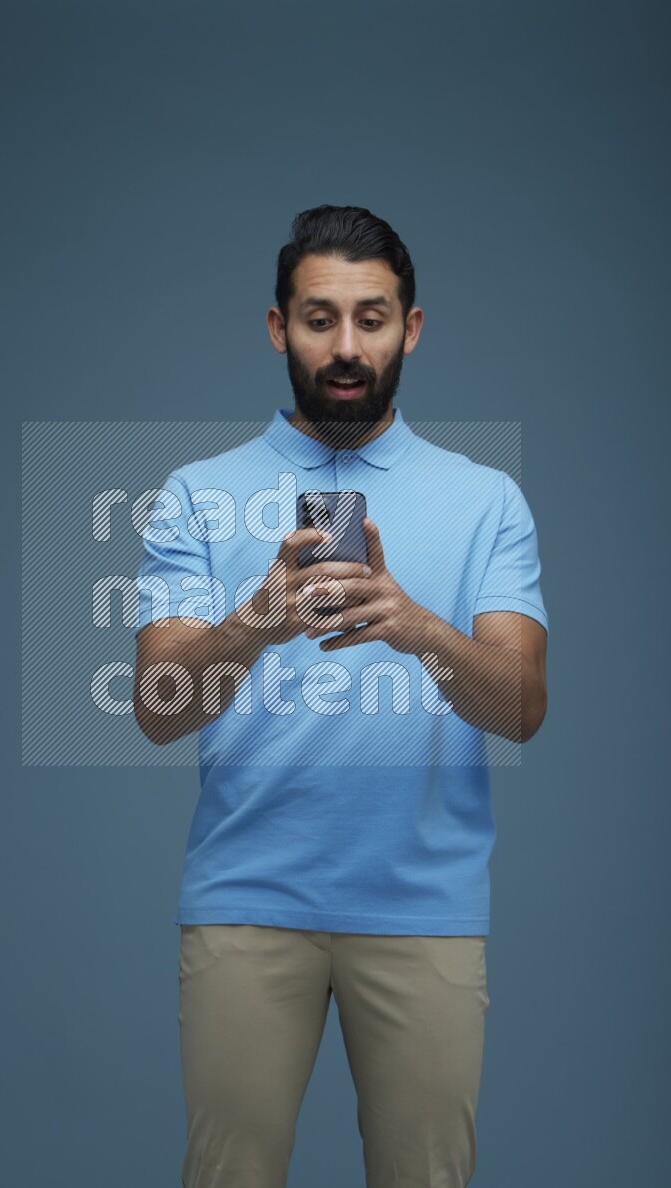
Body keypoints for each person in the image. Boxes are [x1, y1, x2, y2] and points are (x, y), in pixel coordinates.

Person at [132, 204, 549, 1188]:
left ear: (411, 328)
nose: (346, 345)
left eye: (371, 317)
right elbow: (156, 705)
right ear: (278, 329)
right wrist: (257, 621)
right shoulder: (196, 493)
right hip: (245, 899)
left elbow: (522, 705)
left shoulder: (483, 498)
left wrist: (415, 628)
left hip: (424, 907)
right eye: (319, 318)